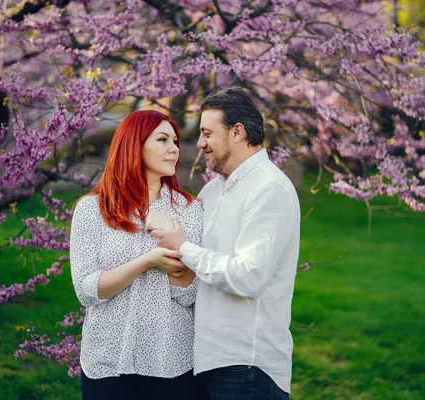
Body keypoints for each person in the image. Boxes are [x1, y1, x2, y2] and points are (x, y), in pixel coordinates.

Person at [151, 87, 301, 400]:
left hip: (247, 367)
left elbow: (250, 277)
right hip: (208, 361)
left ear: (237, 132)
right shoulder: (213, 192)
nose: (200, 143)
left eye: (207, 133)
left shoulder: (268, 189)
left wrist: (185, 248)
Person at [70, 110, 204, 400]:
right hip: (107, 362)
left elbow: (189, 295)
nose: (174, 149)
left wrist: (175, 255)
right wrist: (147, 262)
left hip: (171, 362)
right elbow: (87, 291)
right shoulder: (92, 210)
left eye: (176, 141)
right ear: (134, 145)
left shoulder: (189, 212)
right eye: (163, 139)